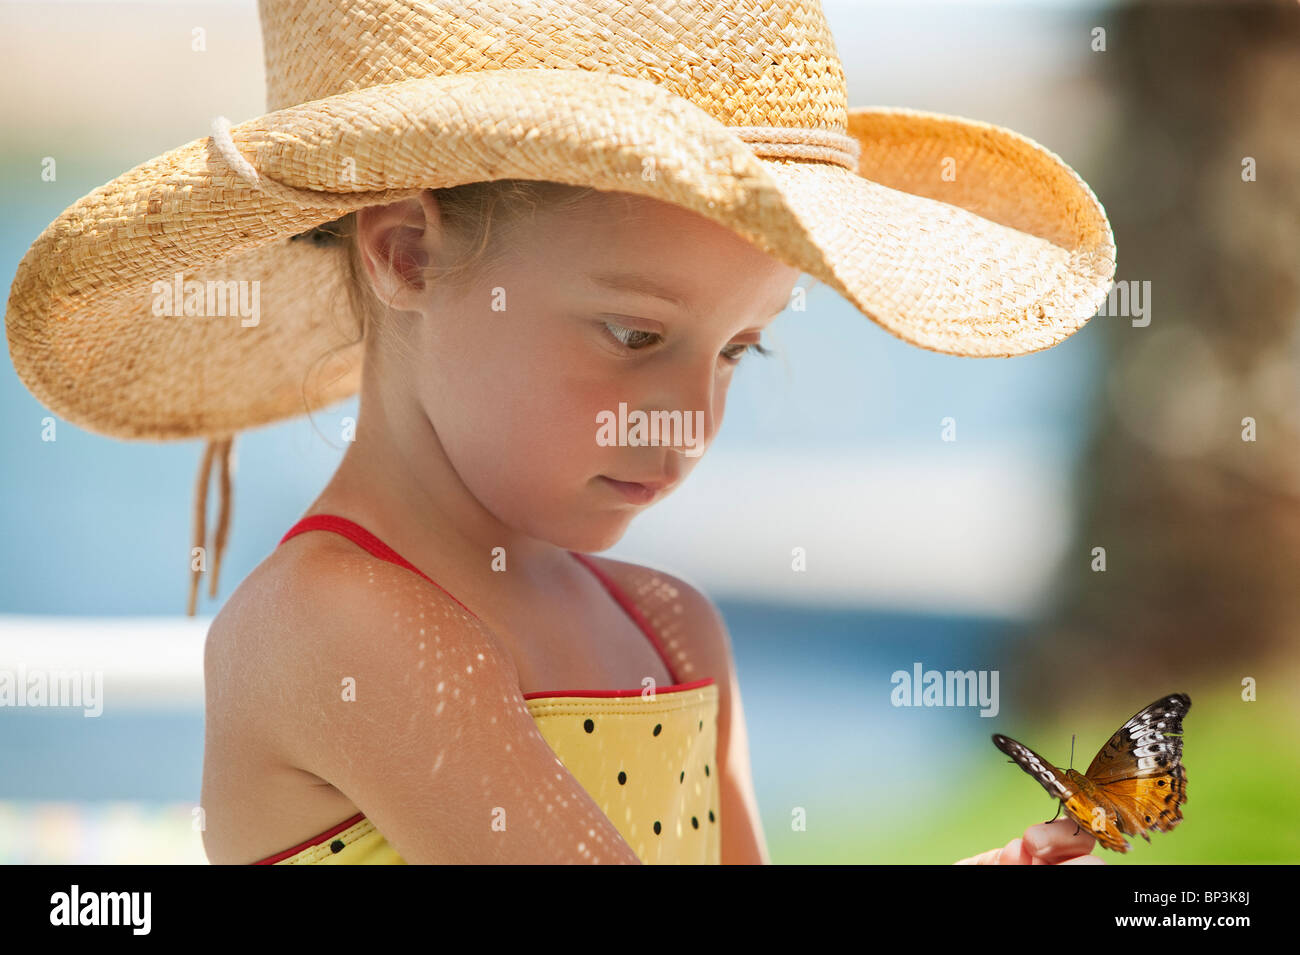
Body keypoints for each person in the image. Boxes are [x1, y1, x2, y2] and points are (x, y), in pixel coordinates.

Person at [3, 0, 1117, 865]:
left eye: (740, 348)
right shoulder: (335, 624)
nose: (694, 415)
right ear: (407, 253)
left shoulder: (674, 633)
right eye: (635, 333)